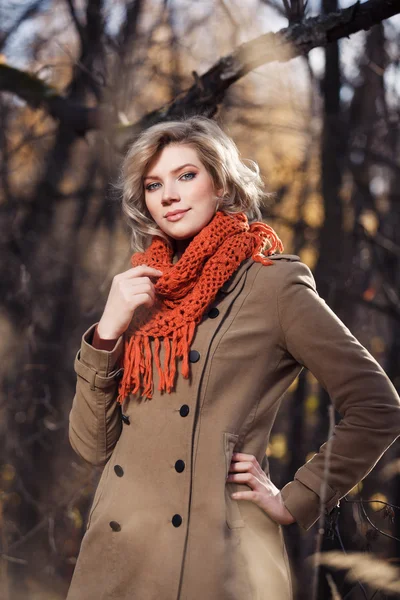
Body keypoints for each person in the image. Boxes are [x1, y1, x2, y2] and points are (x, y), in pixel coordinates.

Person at [67, 116, 400, 600]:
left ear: (220, 184)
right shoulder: (139, 291)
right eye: (154, 184)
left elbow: (378, 406)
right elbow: (93, 448)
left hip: (213, 559)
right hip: (117, 557)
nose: (169, 195)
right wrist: (106, 334)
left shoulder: (272, 283)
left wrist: (296, 498)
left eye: (187, 176)